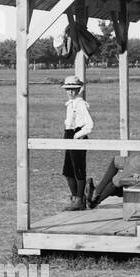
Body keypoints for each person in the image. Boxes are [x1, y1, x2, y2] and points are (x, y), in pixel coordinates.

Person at [61, 75, 93, 211]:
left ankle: (79, 200)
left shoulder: (80, 104)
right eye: (68, 89)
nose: (70, 91)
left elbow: (90, 124)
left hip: (77, 137)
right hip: (69, 135)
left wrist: (77, 135)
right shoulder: (71, 104)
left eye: (73, 89)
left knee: (78, 169)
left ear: (79, 89)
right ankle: (75, 197)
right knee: (67, 170)